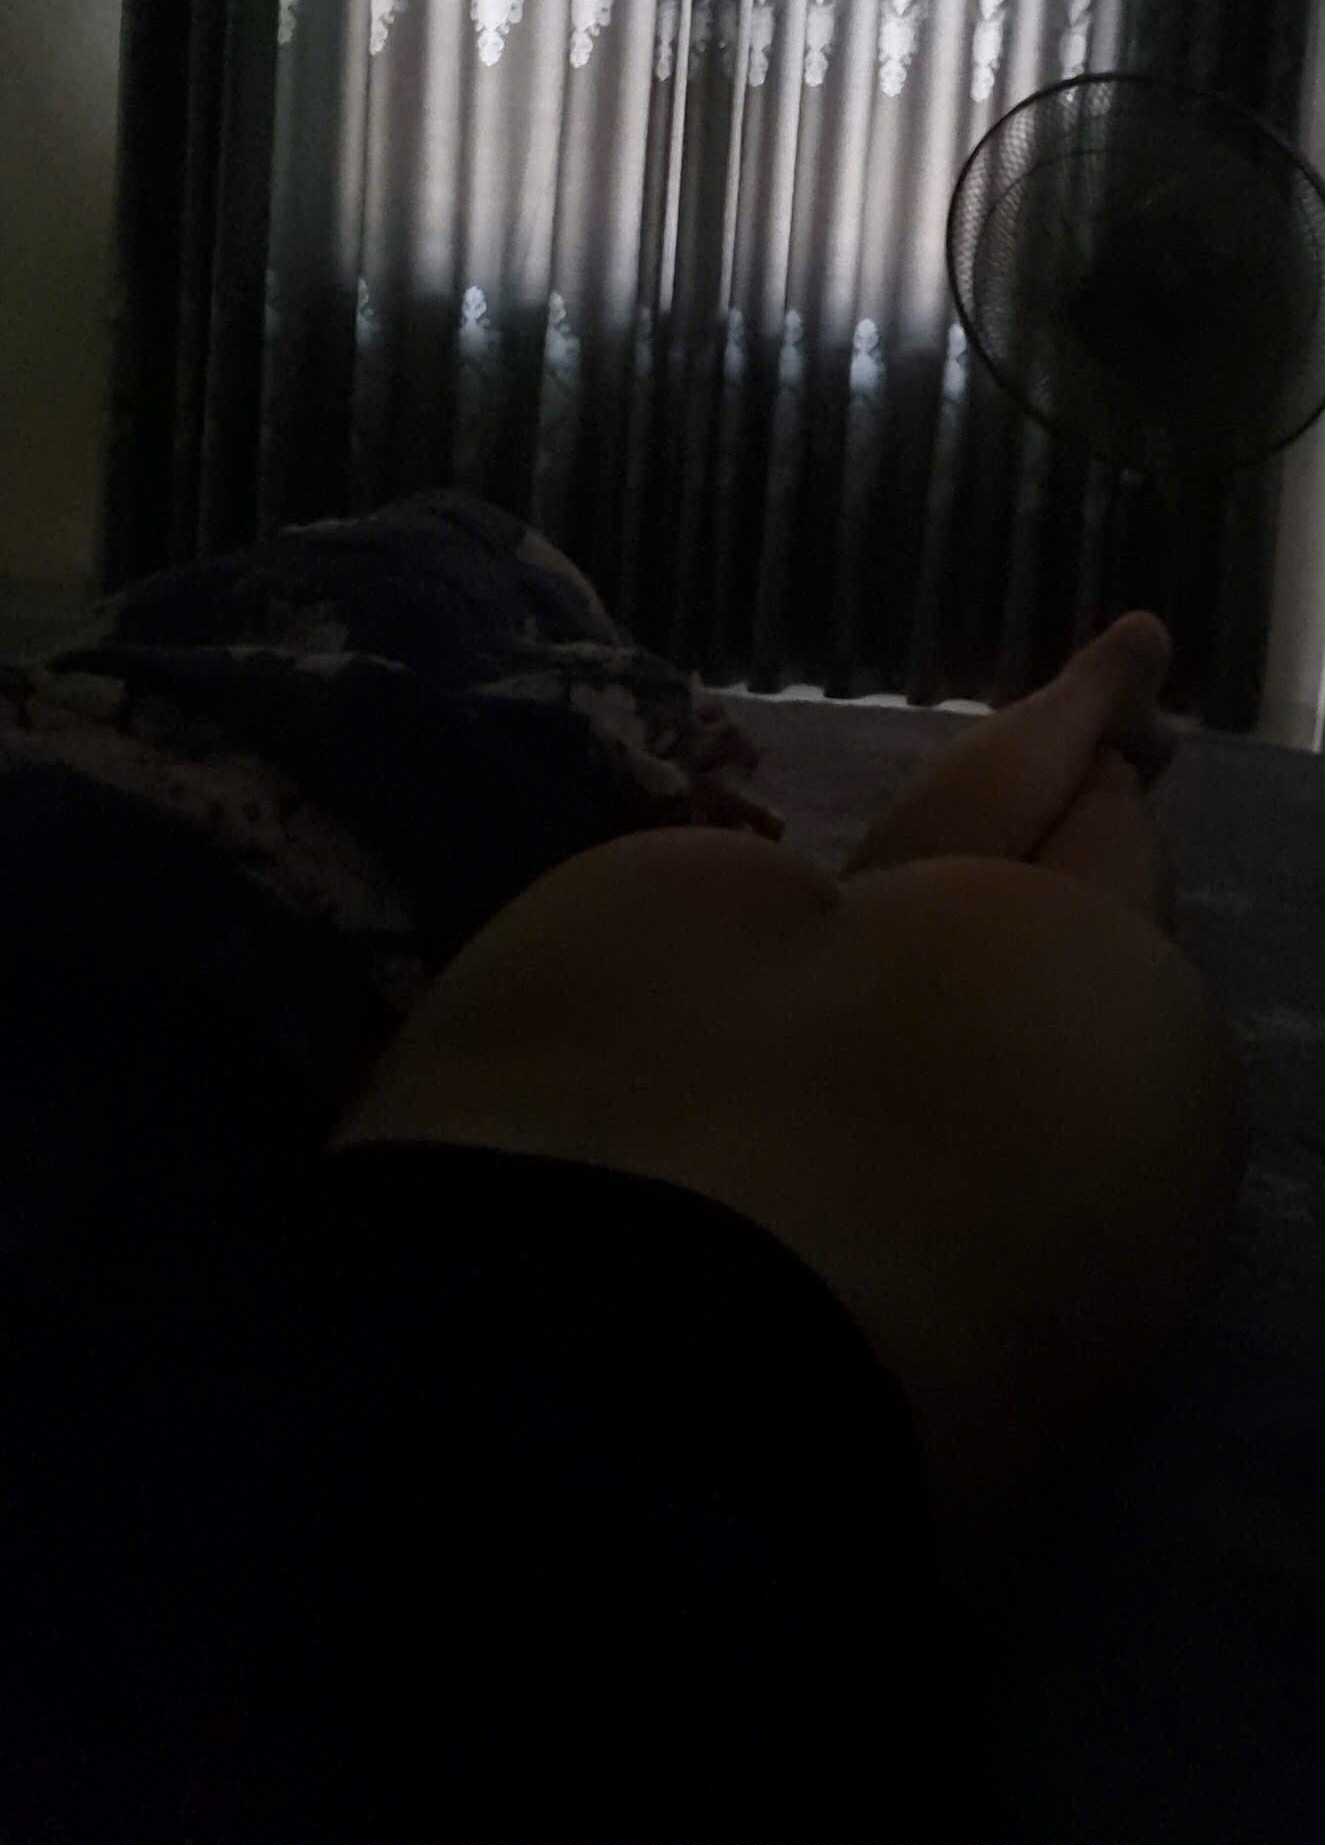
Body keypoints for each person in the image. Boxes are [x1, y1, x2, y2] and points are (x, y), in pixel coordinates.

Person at [0, 610, 1249, 1842]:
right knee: (888, 900)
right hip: (524, 1061)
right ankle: (1100, 690)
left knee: (1010, 905)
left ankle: (1103, 704)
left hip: (767, 1274)